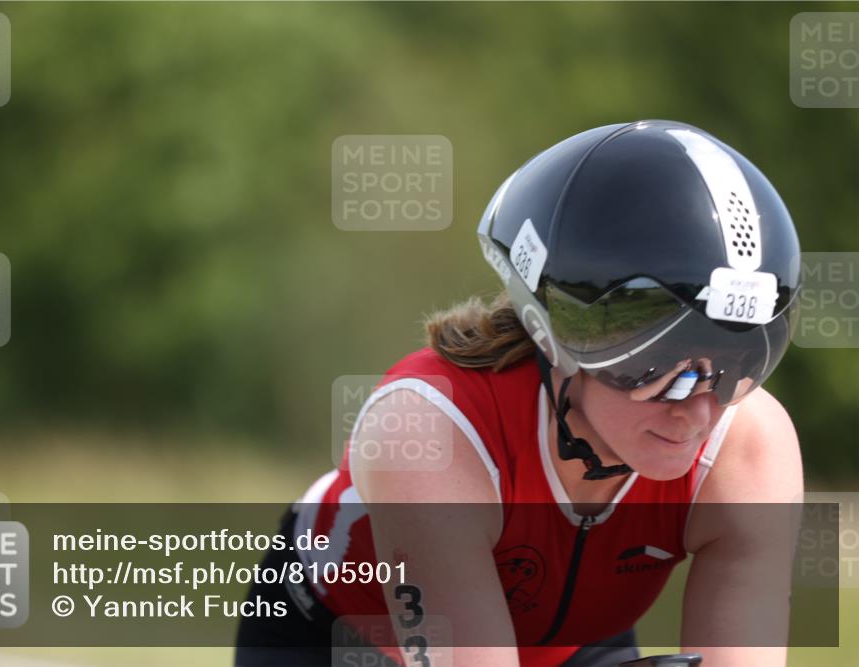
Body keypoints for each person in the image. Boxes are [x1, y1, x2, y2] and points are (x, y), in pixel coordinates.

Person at [234, 120, 803, 667]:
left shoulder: (747, 446)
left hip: (574, 643)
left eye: (736, 365)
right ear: (551, 334)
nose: (699, 410)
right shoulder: (428, 426)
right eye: (656, 367)